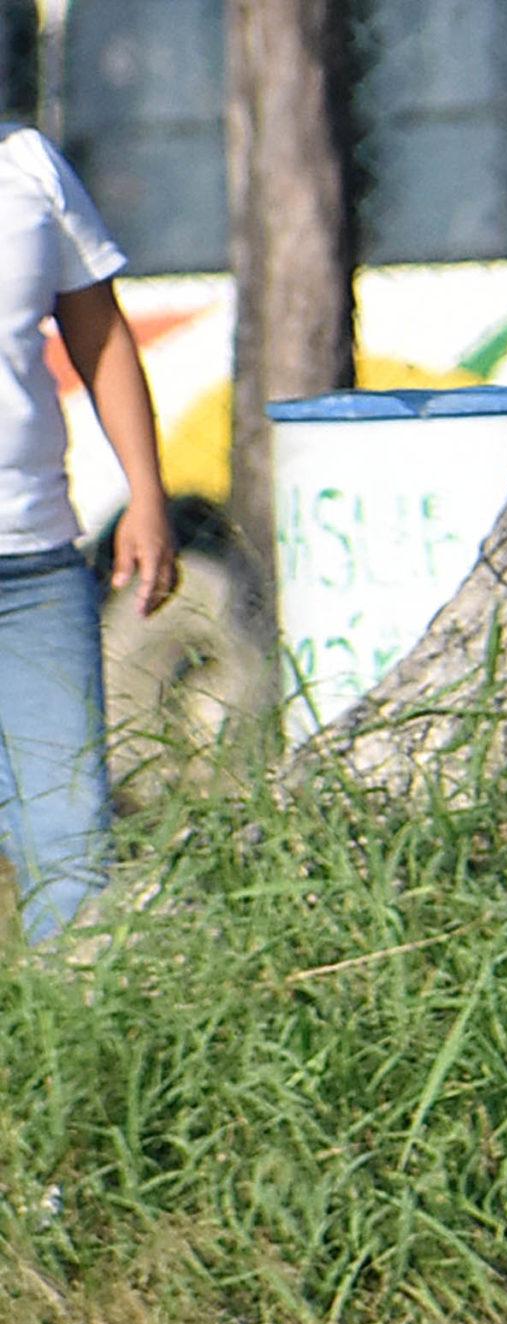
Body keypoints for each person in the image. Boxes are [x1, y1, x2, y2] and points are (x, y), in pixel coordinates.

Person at [0, 123, 176, 945]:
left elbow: (100, 336)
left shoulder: (29, 164)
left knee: (69, 845)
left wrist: (146, 492)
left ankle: (62, 1065)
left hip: (32, 567)